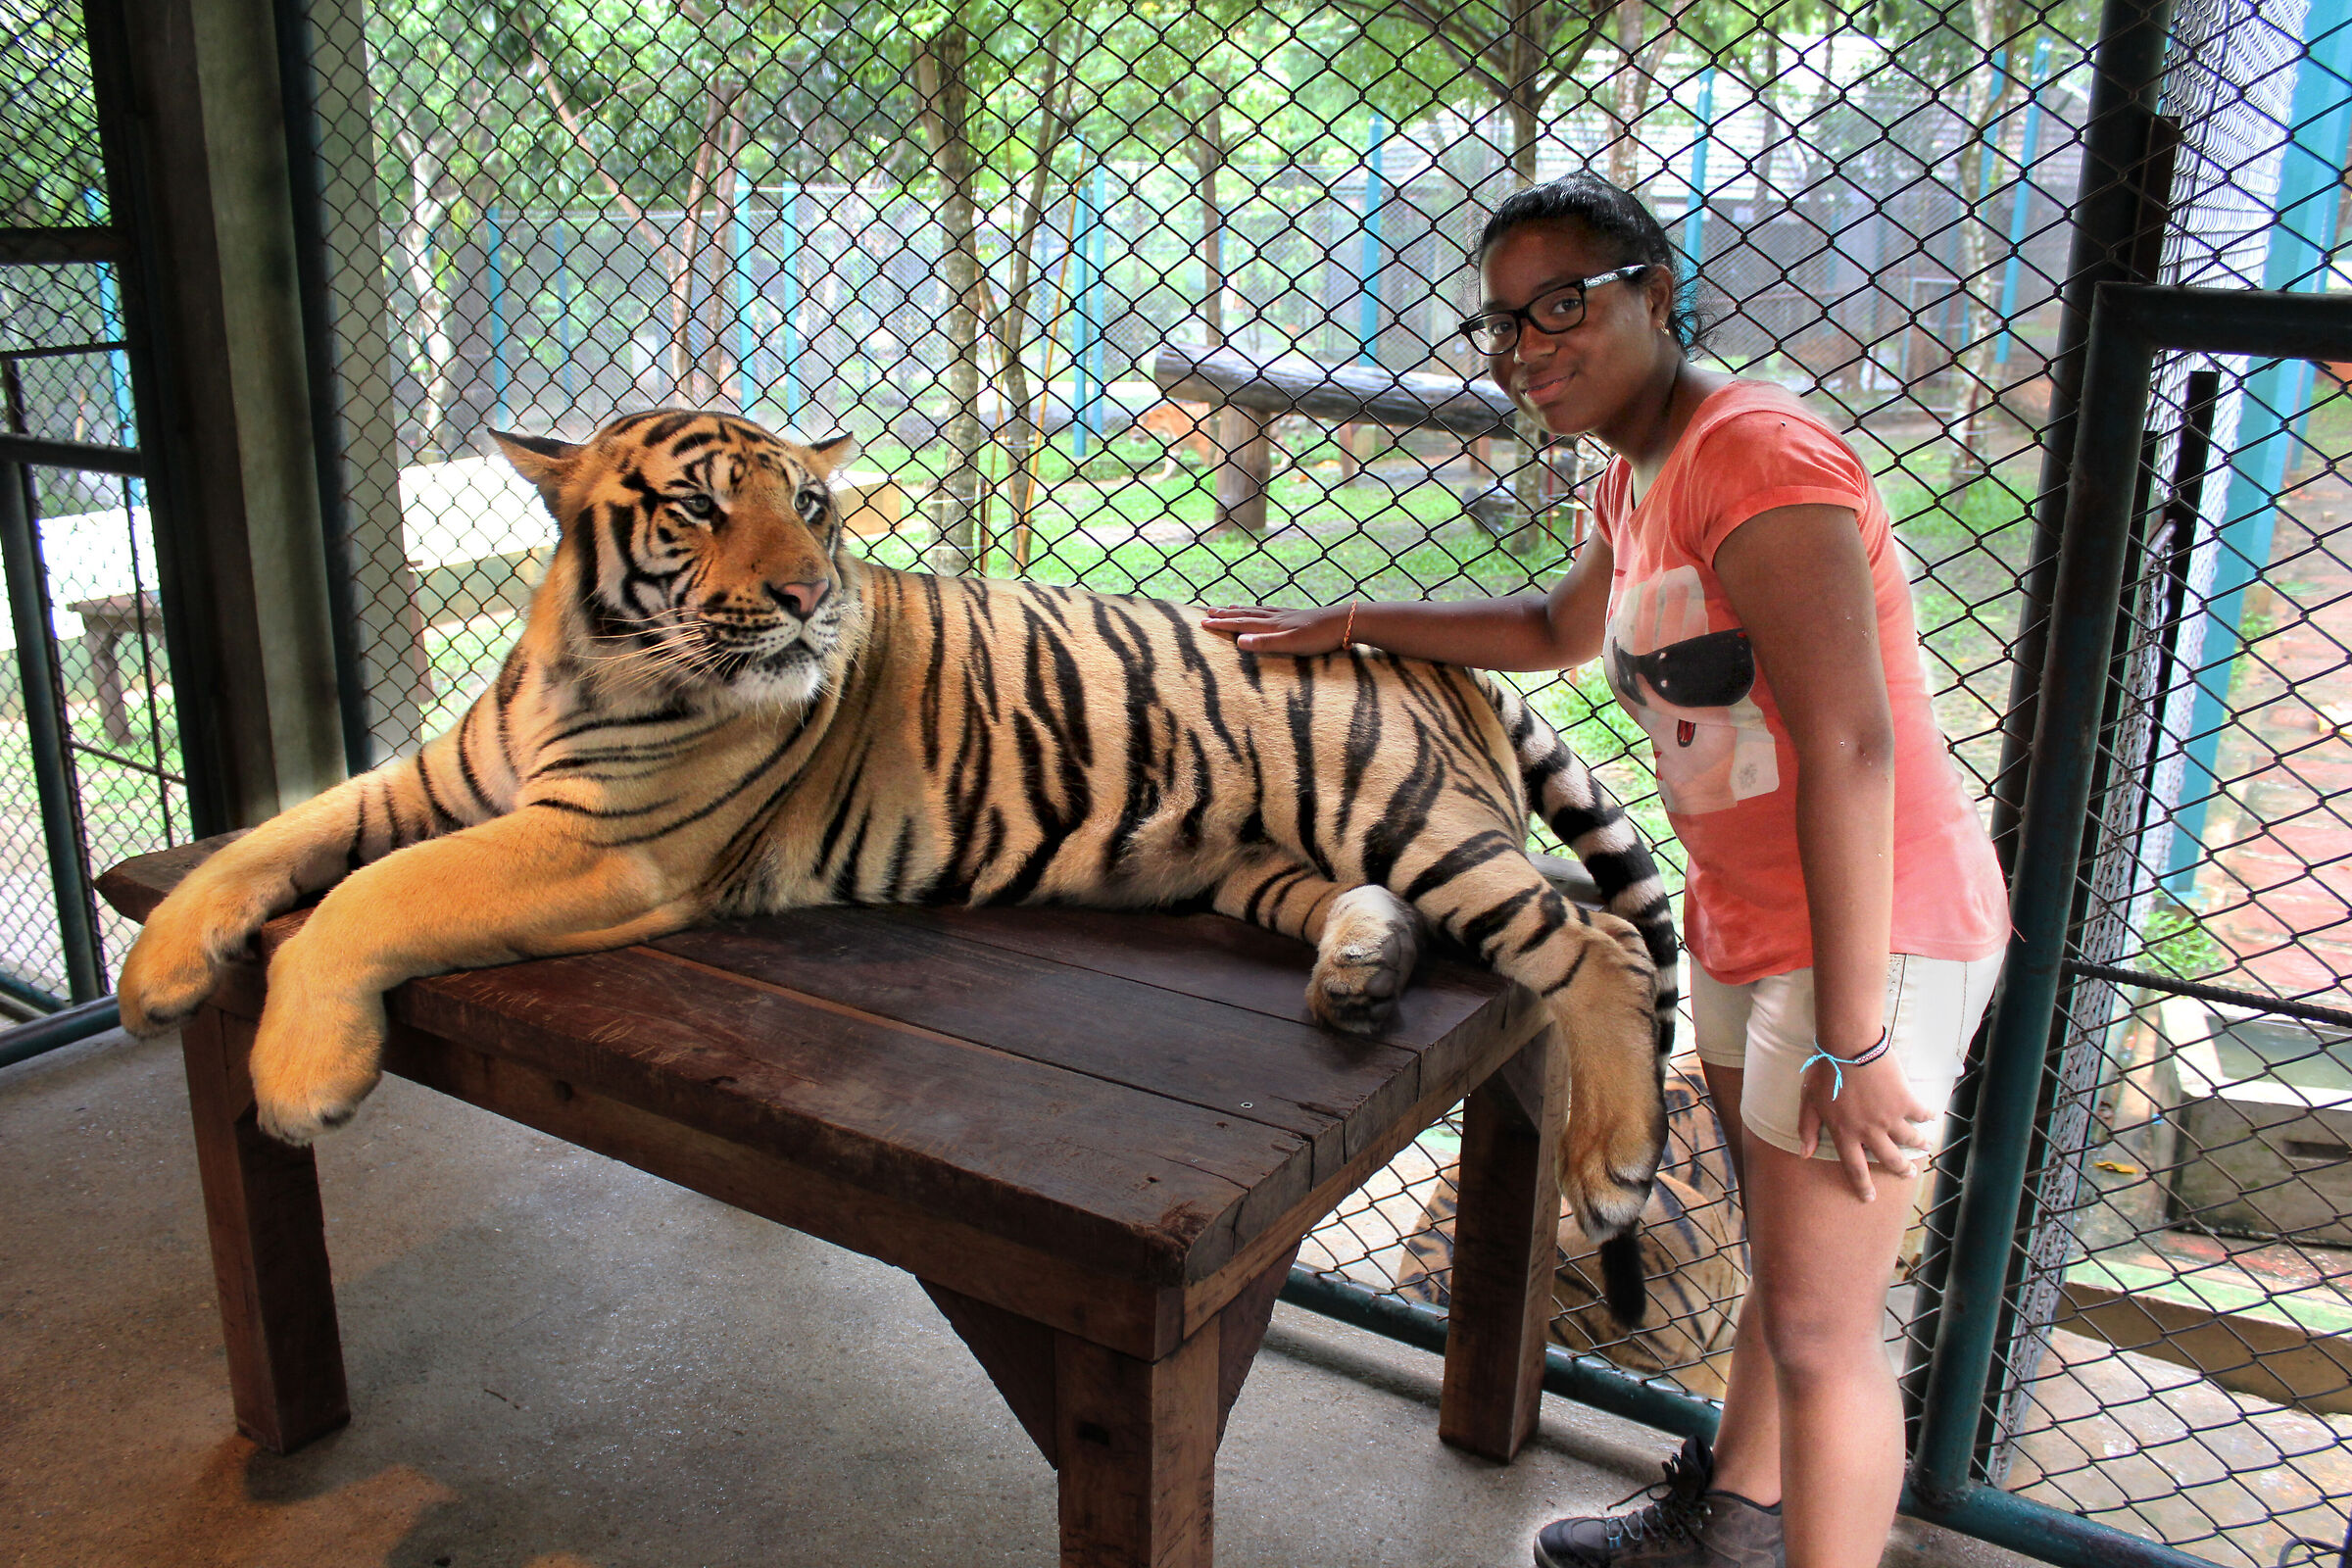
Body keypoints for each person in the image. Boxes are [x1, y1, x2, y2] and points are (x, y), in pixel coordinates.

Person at [1200, 172, 2009, 1568]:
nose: (1529, 349)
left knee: (1827, 1335)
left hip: (1879, 932)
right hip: (1759, 929)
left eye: (1562, 305)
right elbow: (1555, 627)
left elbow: (1854, 745)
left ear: (1656, 290)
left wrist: (1864, 1031)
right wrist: (1350, 618)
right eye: (1506, 326)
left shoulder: (1756, 453)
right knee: (1789, 1280)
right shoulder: (1643, 472)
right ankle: (1737, 1525)